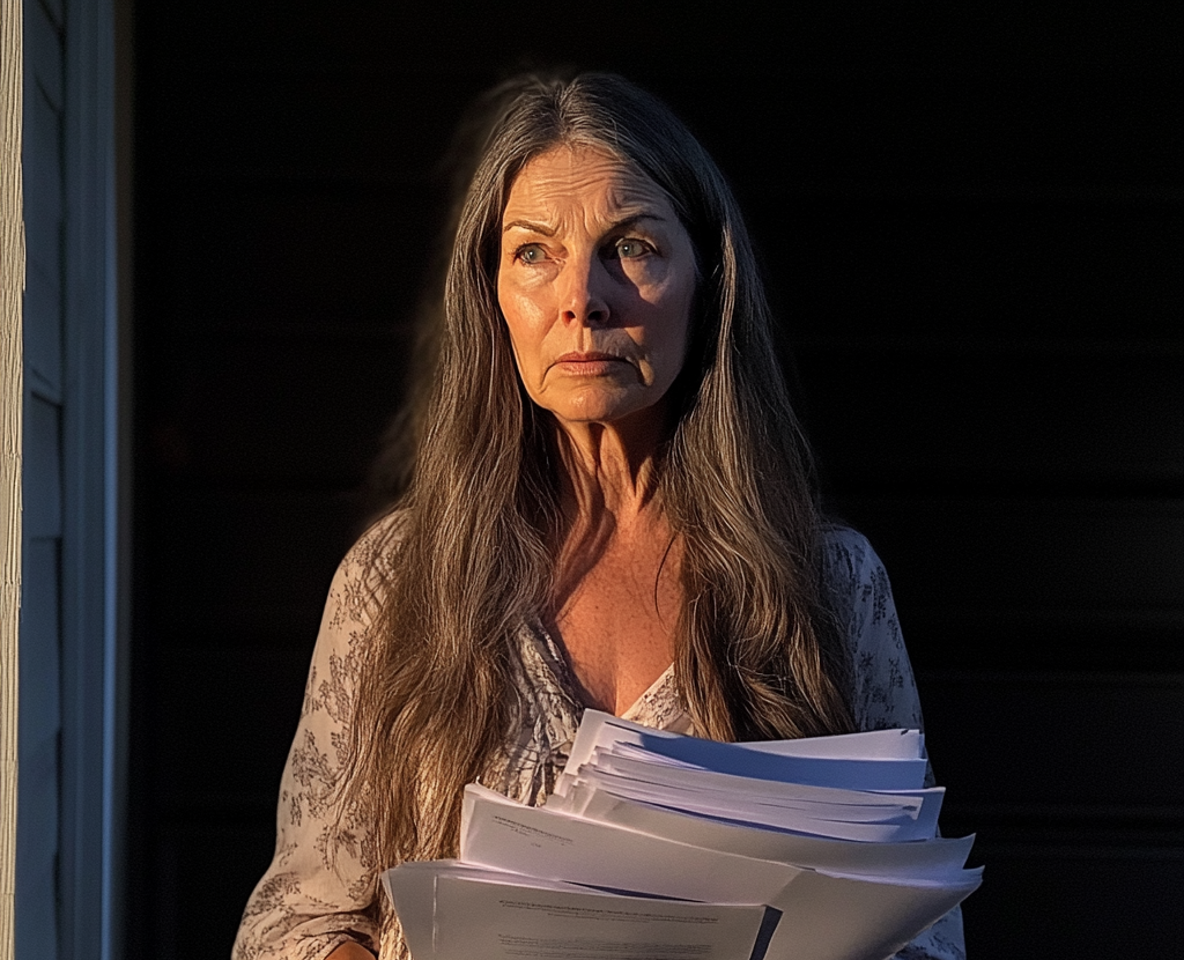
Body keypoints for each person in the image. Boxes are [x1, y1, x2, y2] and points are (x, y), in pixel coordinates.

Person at [233, 73, 967, 960]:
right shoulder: (397, 581)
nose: (582, 296)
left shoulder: (828, 585)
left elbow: (922, 936)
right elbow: (295, 925)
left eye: (634, 245)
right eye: (534, 252)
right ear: (492, 296)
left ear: (708, 280)